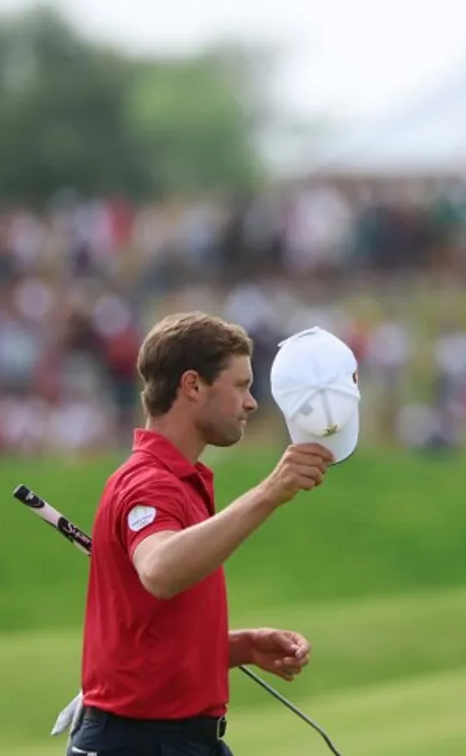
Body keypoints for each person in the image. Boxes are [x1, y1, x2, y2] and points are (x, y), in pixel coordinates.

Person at [67, 311, 337, 756]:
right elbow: (160, 570)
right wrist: (270, 492)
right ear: (193, 385)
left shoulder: (181, 481)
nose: (251, 403)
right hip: (139, 743)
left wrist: (238, 647)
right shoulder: (148, 483)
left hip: (185, 741)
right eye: (240, 386)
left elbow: (153, 638)